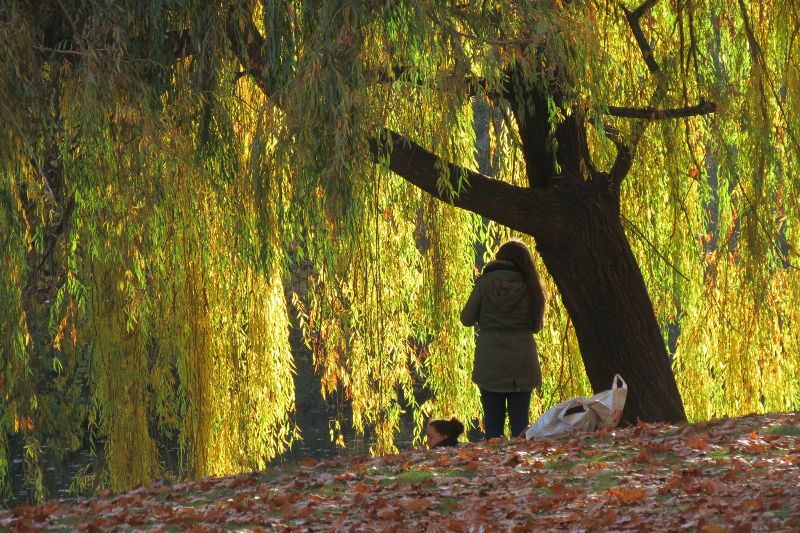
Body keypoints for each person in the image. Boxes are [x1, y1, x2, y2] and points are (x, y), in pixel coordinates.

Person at [460, 239, 546, 439]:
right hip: (522, 361)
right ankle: (519, 464)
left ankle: (493, 468)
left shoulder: (485, 283)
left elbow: (466, 319)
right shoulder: (531, 285)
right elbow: (536, 327)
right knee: (520, 424)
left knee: (493, 424)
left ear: (500, 259)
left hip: (491, 361)